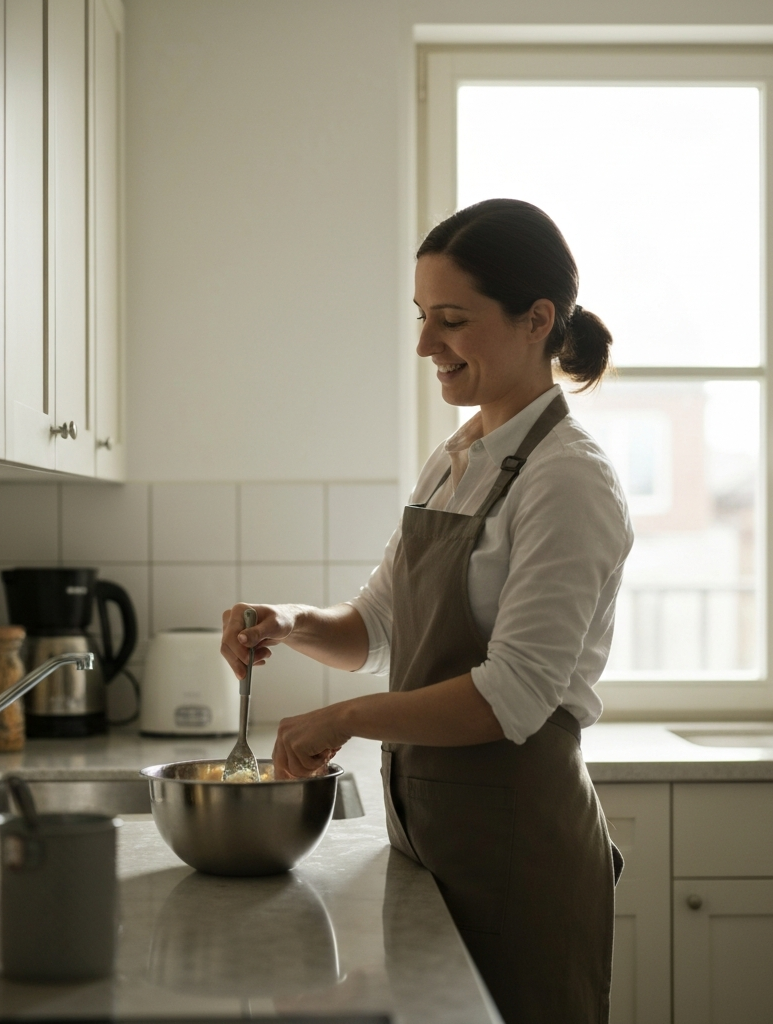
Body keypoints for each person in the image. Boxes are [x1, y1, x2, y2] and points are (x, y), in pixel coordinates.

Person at [220, 198, 633, 1024]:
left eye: (451, 319)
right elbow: (377, 628)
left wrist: (344, 720)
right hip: (433, 841)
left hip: (516, 851)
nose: (423, 345)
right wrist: (289, 621)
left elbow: (510, 694)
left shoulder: (568, 480)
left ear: (536, 320)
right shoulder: (456, 459)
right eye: (421, 317)